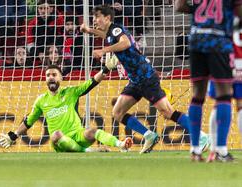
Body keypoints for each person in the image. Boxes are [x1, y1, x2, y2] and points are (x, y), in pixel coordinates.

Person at [80, 5, 209, 154]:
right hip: (135, 80)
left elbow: (126, 43)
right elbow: (106, 36)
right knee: (117, 112)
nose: (95, 19)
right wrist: (89, 30)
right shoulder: (111, 32)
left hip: (146, 77)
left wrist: (103, 50)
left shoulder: (116, 30)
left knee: (167, 112)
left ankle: (201, 136)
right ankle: (149, 135)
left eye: (97, 16)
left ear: (107, 18)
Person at [0, 63, 133, 152]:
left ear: (61, 77)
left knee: (92, 131)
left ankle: (120, 145)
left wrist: (106, 69)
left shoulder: (70, 92)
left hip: (78, 135)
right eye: (48, 75)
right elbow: (28, 122)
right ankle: (88, 151)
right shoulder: (41, 100)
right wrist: (13, 136)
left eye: (54, 75)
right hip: (60, 142)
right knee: (56, 134)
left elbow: (91, 82)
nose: (51, 77)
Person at [175, 0, 242, 162]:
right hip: (218, 41)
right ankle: (221, 150)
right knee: (224, 94)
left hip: (196, 38)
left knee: (198, 95)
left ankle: (195, 150)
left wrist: (198, 12)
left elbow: (179, 6)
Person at [207, 18, 242, 162]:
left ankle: (214, 150)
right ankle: (217, 150)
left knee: (219, 103)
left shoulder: (221, 10)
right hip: (240, 61)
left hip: (221, 60)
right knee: (240, 105)